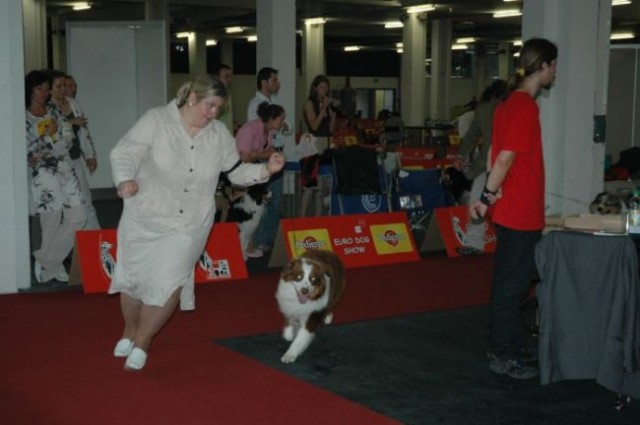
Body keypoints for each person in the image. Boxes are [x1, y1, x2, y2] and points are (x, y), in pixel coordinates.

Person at [109, 75, 284, 371]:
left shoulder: (218, 135)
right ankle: (129, 329)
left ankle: (142, 341)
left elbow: (235, 171)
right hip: (145, 217)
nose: (214, 114)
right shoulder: (156, 120)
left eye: (219, 109)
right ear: (192, 97)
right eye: (210, 105)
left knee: (171, 282)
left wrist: (266, 169)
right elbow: (125, 152)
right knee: (134, 282)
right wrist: (125, 179)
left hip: (190, 223)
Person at [470, 38, 558, 380]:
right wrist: (489, 195)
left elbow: (495, 152)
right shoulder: (524, 106)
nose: (556, 72)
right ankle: (503, 353)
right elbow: (503, 157)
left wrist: (491, 195)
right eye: (555, 65)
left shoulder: (507, 104)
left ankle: (512, 345)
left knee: (515, 282)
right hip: (518, 211)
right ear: (545, 65)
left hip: (515, 209)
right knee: (511, 286)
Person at [25, 70, 86, 284]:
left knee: (78, 215)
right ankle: (53, 266)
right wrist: (49, 137)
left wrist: (52, 140)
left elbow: (68, 137)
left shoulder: (53, 109)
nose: (43, 93)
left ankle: (46, 259)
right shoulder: (23, 115)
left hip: (65, 169)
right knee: (50, 220)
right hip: (43, 175)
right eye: (38, 88)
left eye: (45, 88)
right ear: (30, 90)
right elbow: (29, 153)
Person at [452, 79, 507, 255]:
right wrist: (460, 155)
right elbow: (473, 134)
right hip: (488, 164)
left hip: (501, 165)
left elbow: (471, 136)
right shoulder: (486, 110)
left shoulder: (487, 109)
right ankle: (475, 243)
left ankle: (488, 244)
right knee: (476, 201)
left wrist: (461, 155)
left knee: (481, 202)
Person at [48, 70, 101, 229]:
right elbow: (49, 135)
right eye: (59, 86)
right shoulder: (46, 108)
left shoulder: (73, 104)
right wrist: (71, 123)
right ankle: (66, 248)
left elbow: (84, 131)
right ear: (50, 88)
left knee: (86, 203)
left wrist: (90, 154)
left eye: (65, 85)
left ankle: (95, 245)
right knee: (60, 210)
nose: (64, 89)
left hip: (75, 159)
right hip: (55, 164)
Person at [235, 102, 287, 258]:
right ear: (271, 119)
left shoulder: (269, 132)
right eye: (281, 119)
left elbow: (263, 153)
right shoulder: (249, 129)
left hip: (253, 168)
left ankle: (252, 243)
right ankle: (244, 246)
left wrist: (260, 155)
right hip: (239, 169)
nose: (283, 123)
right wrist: (262, 155)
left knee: (261, 207)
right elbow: (245, 157)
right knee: (247, 211)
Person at [303, 74, 337, 153]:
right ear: (315, 88)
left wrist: (334, 111)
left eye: (326, 87)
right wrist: (323, 108)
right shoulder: (309, 103)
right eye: (322, 87)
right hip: (315, 140)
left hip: (327, 139)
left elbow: (331, 129)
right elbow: (314, 127)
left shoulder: (327, 104)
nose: (325, 90)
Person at [214, 64, 234, 133]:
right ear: (217, 78)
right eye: (226, 76)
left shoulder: (227, 96)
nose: (229, 79)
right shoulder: (213, 97)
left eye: (230, 76)